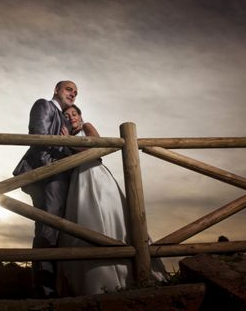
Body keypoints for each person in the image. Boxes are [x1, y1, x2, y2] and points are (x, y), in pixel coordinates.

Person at [58, 104, 167, 296]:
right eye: (67, 116)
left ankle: (132, 271)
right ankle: (95, 279)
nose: (72, 117)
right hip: (78, 179)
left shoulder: (87, 127)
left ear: (80, 116)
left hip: (95, 174)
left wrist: (66, 140)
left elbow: (96, 144)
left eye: (74, 114)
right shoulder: (67, 137)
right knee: (84, 219)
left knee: (111, 214)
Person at [12, 80, 78, 297]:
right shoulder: (44, 105)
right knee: (48, 228)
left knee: (53, 228)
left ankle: (52, 284)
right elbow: (39, 138)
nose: (73, 94)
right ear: (56, 90)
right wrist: (50, 170)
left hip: (61, 176)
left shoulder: (65, 118)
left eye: (75, 93)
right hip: (48, 175)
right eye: (69, 89)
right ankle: (44, 289)